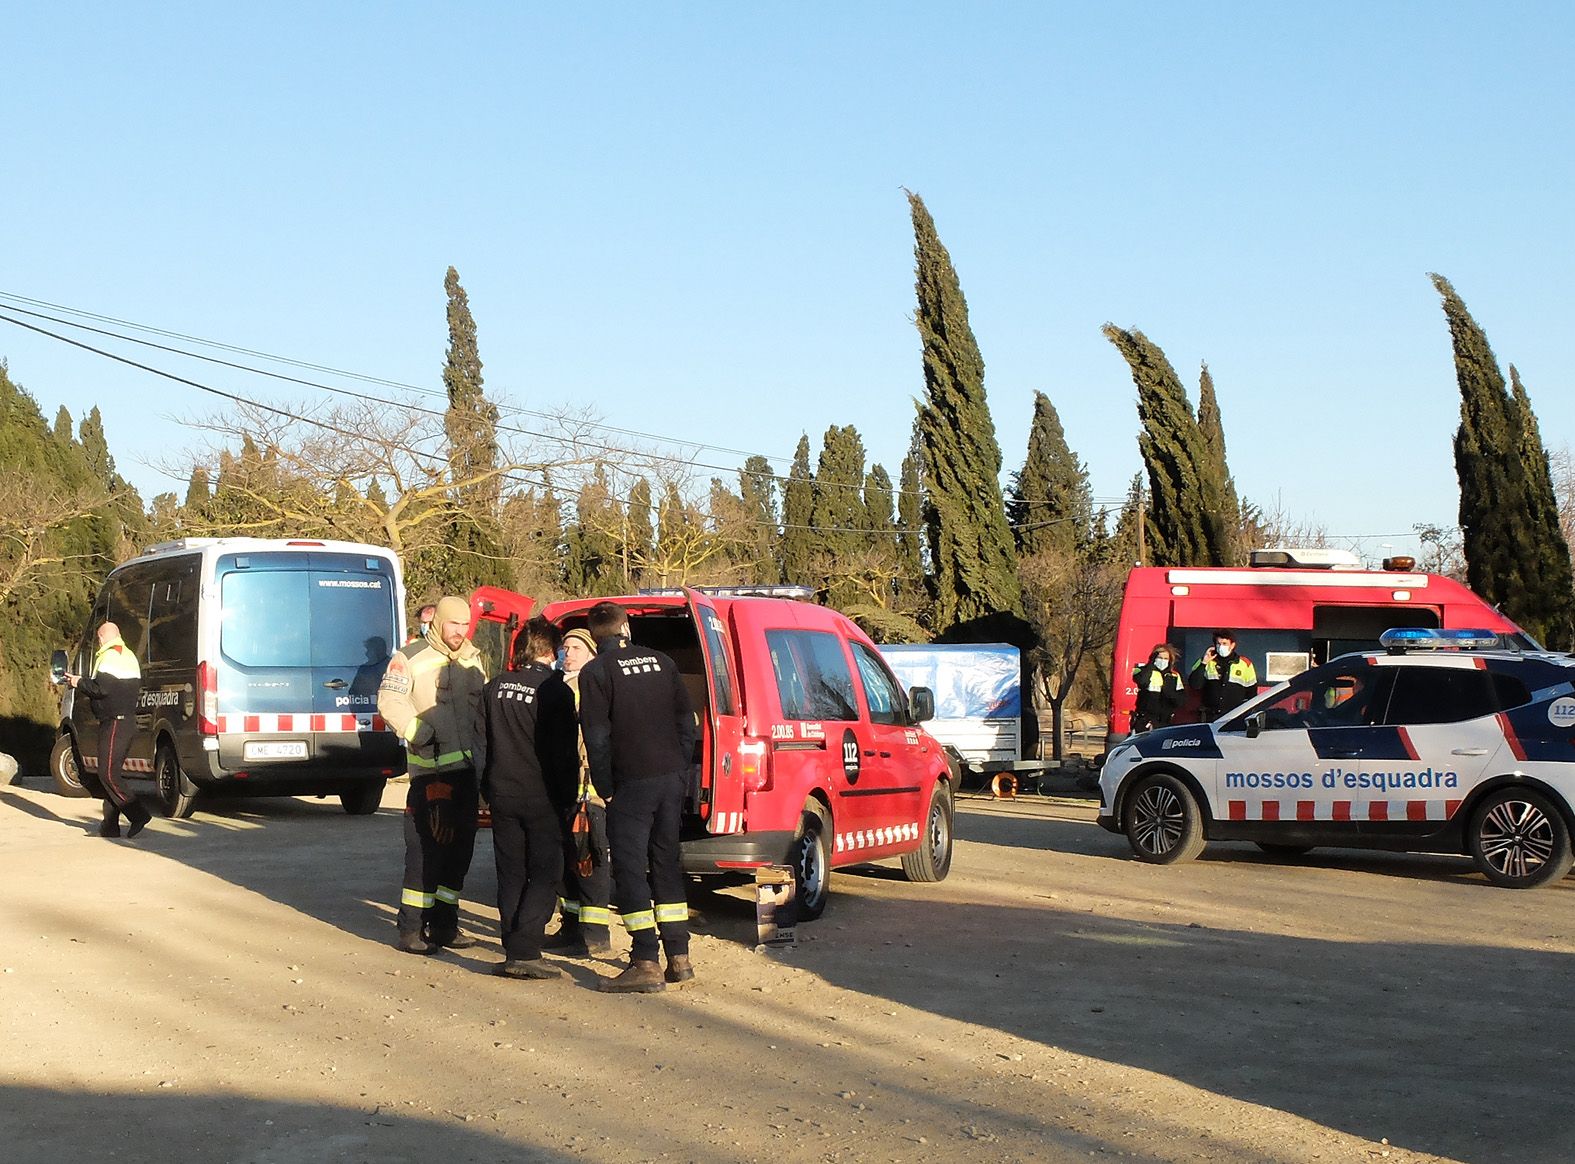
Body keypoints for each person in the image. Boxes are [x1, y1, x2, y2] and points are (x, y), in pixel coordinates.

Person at [578, 601, 697, 992]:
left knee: (630, 869)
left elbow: (596, 736)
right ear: (626, 626)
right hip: (671, 779)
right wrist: (680, 766)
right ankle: (679, 957)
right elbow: (686, 720)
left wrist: (606, 787)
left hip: (631, 783)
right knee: (665, 862)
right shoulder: (662, 662)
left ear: (594, 635)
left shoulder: (595, 672)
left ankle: (645, 959)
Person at [377, 595, 487, 955]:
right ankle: (410, 928)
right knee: (424, 854)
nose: (460, 631)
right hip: (430, 774)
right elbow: (390, 702)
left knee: (460, 853)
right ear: (438, 621)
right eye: (453, 624)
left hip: (467, 775)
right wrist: (418, 733)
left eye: (464, 624)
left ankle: (444, 925)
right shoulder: (408, 658)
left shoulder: (473, 657)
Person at [472, 617, 580, 980]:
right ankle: (526, 950)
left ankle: (512, 944)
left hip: (502, 794)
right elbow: (564, 753)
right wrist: (568, 797)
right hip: (542, 796)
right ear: (551, 650)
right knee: (545, 872)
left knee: (511, 872)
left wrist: (483, 790)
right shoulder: (555, 690)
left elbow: (480, 744)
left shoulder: (495, 687)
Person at [545, 627, 614, 957]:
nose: (567, 653)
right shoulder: (562, 685)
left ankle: (594, 934)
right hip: (564, 789)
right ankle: (571, 926)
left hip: (587, 791)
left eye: (575, 647)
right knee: (568, 863)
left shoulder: (591, 686)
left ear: (591, 652)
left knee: (589, 862)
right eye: (564, 648)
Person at [65, 621, 153, 839]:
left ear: (102, 637)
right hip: (124, 722)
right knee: (110, 773)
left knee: (107, 773)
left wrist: (79, 682)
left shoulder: (110, 656)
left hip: (115, 722)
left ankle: (137, 814)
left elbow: (100, 688)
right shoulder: (128, 655)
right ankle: (110, 826)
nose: (98, 643)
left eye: (98, 638)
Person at [1188, 629, 1259, 720]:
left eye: (1224, 644)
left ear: (1232, 645)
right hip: (1210, 716)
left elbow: (1252, 694)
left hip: (1234, 717)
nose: (1221, 646)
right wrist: (1204, 662)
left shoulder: (1245, 664)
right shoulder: (1204, 661)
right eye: (1218, 643)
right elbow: (1195, 685)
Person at [1129, 643, 1184, 733]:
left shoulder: (1174, 676)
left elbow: (1180, 700)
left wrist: (1169, 693)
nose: (1163, 661)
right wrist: (1151, 664)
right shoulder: (1142, 670)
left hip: (1165, 722)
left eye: (1166, 659)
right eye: (1160, 658)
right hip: (1146, 721)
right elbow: (1142, 681)